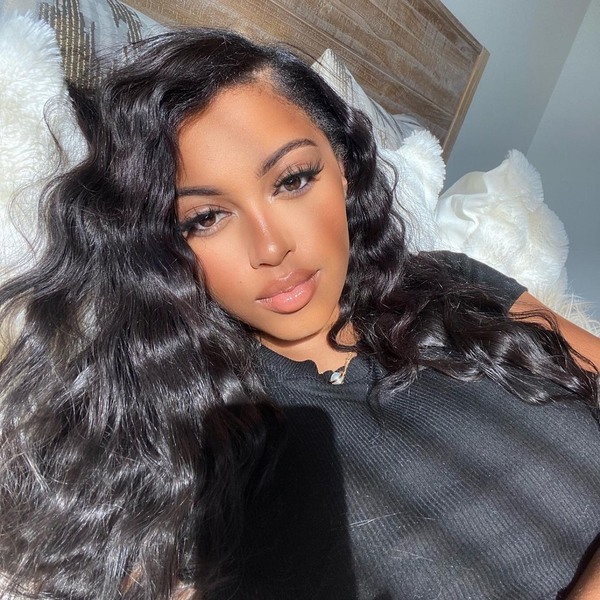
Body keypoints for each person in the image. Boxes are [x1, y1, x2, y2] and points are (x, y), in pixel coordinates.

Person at [0, 27, 599, 600]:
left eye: (292, 179)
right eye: (205, 218)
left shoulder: (448, 281)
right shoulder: (190, 432)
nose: (271, 247)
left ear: (342, 168)